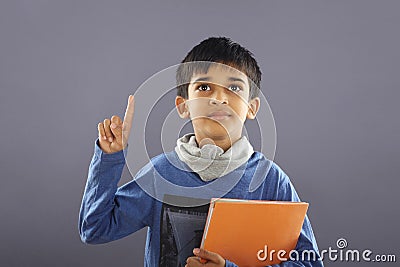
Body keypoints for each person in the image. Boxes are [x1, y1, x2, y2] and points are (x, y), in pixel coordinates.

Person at [79, 37, 324, 267]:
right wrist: (109, 157)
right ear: (183, 106)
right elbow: (95, 229)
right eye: (205, 87)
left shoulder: (270, 180)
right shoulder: (161, 173)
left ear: (252, 108)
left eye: (234, 88)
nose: (218, 98)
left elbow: (310, 263)